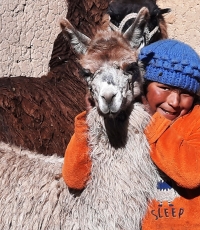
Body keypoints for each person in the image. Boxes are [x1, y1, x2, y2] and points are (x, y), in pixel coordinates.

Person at [62, 39, 200, 229]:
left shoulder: (195, 121)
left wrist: (154, 123)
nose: (175, 101)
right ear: (142, 86)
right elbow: (74, 178)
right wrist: (88, 123)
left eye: (186, 93)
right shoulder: (124, 126)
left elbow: (192, 174)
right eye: (165, 88)